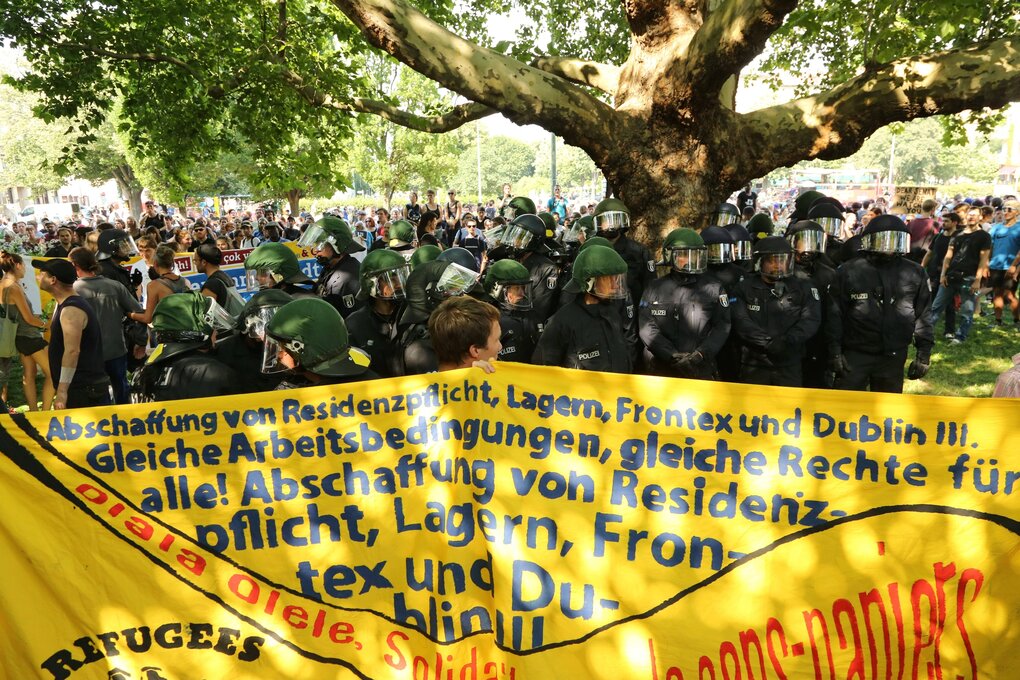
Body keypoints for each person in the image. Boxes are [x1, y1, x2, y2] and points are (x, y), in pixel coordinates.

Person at [828, 215, 934, 393]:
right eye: (883, 240)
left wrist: (924, 353)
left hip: (893, 354)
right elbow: (834, 314)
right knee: (844, 407)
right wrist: (834, 351)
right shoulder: (849, 271)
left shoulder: (915, 272)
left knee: (887, 412)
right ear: (870, 240)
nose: (889, 247)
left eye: (895, 240)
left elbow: (923, 314)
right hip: (855, 352)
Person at [639, 229, 731, 379]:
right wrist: (671, 355)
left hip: (700, 367)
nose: (689, 260)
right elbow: (647, 328)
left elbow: (722, 326)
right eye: (683, 255)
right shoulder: (654, 287)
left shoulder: (714, 288)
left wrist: (700, 355)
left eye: (695, 255)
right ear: (669, 256)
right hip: (662, 367)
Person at [731, 236, 820, 387]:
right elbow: (741, 321)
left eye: (782, 260)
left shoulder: (803, 287)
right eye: (772, 260)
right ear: (761, 262)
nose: (778, 265)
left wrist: (787, 341)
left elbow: (810, 320)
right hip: (755, 363)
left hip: (789, 363)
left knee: (788, 408)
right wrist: (767, 343)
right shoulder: (743, 288)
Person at [533, 245, 633, 373]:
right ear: (589, 282)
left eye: (617, 279)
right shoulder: (561, 322)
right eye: (609, 279)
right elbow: (543, 369)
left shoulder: (612, 313)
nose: (615, 285)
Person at [131, 292, 239, 402]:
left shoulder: (139, 373)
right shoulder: (212, 373)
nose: (215, 332)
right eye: (211, 325)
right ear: (195, 331)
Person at [33, 258, 111, 409]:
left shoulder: (71, 310)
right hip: (80, 386)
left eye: (42, 274)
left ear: (53, 280)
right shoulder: (65, 304)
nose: (38, 277)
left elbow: (72, 351)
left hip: (83, 390)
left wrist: (62, 392)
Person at [69, 248, 143, 404]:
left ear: (75, 265)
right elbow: (139, 313)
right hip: (115, 349)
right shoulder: (114, 286)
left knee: (96, 394)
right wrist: (141, 340)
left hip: (88, 353)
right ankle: (123, 419)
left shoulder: (72, 291)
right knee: (120, 388)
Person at [266, 298, 376, 387]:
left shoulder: (299, 403)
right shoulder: (375, 384)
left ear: (300, 348)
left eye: (280, 347)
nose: (278, 355)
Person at [393, 260, 479, 375]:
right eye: (452, 290)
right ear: (432, 295)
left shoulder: (438, 331)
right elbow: (448, 386)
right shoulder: (420, 349)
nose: (461, 296)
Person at [785, 220, 837, 388]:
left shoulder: (829, 274)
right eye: (803, 243)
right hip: (790, 340)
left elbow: (834, 313)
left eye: (813, 243)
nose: (808, 249)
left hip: (819, 341)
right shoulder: (782, 271)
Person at [346, 249, 411, 378]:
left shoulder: (413, 316)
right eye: (392, 279)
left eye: (402, 276)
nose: (399, 284)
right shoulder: (355, 325)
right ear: (371, 284)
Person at [931, 206, 992, 343]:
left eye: (975, 215)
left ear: (980, 217)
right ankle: (925, 333)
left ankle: (960, 336)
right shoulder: (957, 234)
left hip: (969, 278)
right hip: (950, 276)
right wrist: (943, 274)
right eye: (969, 214)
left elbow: (983, 259)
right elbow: (948, 255)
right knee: (936, 307)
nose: (971, 217)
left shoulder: (984, 236)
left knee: (966, 311)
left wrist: (977, 280)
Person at [0, 252, 53, 410]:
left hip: (19, 336)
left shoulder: (3, 283)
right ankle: (44, 412)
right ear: (17, 265)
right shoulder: (13, 286)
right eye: (23, 265)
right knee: (53, 374)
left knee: (28, 375)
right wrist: (46, 324)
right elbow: (29, 319)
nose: (25, 269)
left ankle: (33, 411)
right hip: (29, 336)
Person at [215, 289, 293, 394]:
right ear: (248, 324)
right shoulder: (225, 351)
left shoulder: (294, 350)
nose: (269, 333)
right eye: (261, 325)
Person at [500, 213, 561, 326]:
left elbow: (540, 309)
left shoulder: (547, 269)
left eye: (520, 237)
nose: (514, 241)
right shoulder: (514, 262)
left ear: (533, 241)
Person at [592, 198, 656, 305]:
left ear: (622, 221)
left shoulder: (639, 251)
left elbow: (650, 287)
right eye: (606, 220)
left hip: (631, 311)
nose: (610, 225)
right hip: (597, 312)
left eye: (615, 219)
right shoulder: (589, 251)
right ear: (599, 223)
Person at [298, 216, 365, 317]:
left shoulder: (348, 278)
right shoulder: (331, 267)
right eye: (314, 245)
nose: (315, 251)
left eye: (320, 245)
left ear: (337, 245)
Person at [481, 259, 538, 364]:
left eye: (523, 288)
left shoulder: (528, 314)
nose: (522, 293)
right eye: (516, 288)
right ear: (498, 289)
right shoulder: (485, 320)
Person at [429, 295, 500, 373]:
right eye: (496, 340)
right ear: (475, 350)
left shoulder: (421, 384)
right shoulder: (500, 382)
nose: (500, 347)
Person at [129, 245, 191, 325]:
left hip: (166, 331)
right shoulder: (186, 282)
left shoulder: (153, 286)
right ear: (172, 263)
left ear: (155, 264)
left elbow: (147, 318)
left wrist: (129, 314)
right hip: (186, 326)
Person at [987, 199, 1020, 327]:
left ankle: (1017, 321)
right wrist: (986, 264)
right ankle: (998, 321)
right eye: (1005, 209)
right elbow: (989, 247)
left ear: (1017, 212)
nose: (1006, 212)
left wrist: (1013, 265)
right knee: (997, 293)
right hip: (995, 266)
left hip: (1011, 267)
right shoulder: (996, 227)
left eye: (1010, 209)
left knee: (1010, 295)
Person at [244, 242, 315, 297]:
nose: (256, 278)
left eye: (262, 273)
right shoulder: (259, 301)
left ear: (280, 275)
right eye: (256, 273)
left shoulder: (306, 302)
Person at [195, 244, 244, 316]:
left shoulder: (211, 285)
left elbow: (203, 314)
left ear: (204, 262)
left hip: (228, 326)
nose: (195, 264)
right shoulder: (224, 276)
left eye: (195, 261)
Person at [96, 228, 142, 295]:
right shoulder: (106, 272)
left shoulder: (115, 268)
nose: (128, 248)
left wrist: (134, 285)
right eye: (123, 245)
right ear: (113, 249)